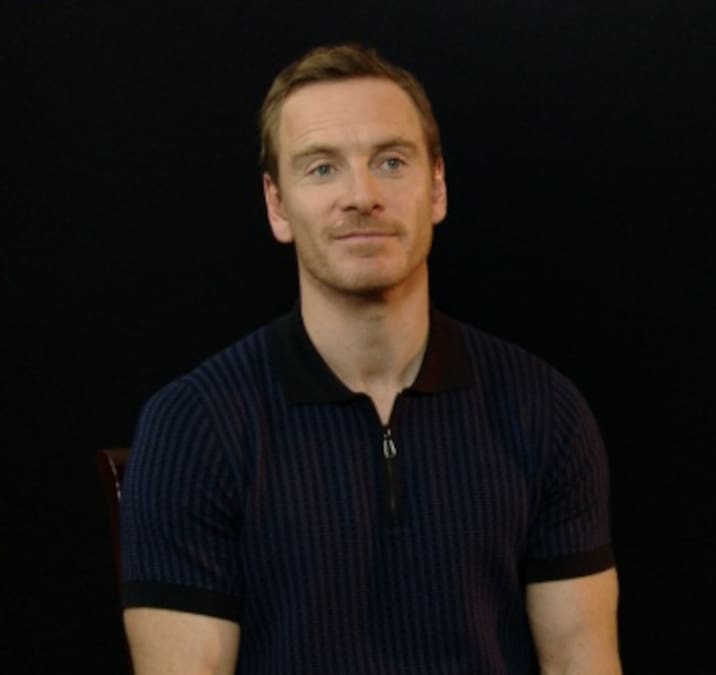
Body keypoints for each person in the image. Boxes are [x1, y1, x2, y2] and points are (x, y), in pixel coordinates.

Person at [119, 43, 621, 675]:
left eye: (390, 161)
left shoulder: (544, 410)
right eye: (321, 168)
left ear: (436, 188)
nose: (362, 195)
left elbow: (581, 661)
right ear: (278, 205)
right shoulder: (192, 427)